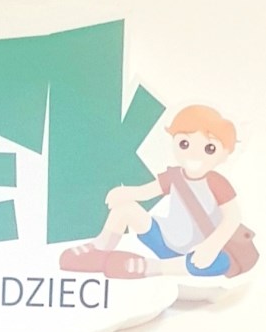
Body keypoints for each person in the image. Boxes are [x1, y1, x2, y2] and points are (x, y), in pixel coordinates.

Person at [58, 104, 244, 280]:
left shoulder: (217, 183)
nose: (194, 154)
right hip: (163, 239)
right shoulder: (174, 176)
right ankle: (100, 248)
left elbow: (233, 218)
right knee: (125, 209)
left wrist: (212, 245)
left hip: (195, 252)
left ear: (225, 154)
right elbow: (144, 192)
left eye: (209, 148)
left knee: (221, 262)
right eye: (184, 144)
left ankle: (153, 267)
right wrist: (124, 193)